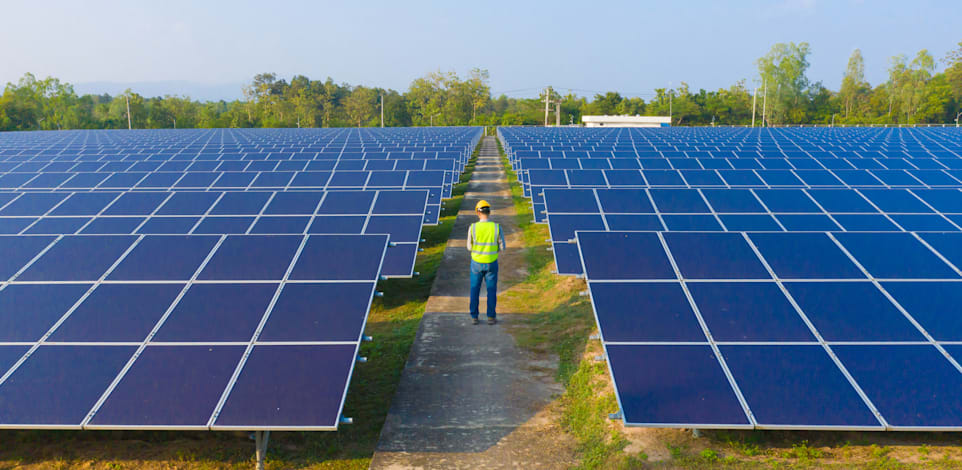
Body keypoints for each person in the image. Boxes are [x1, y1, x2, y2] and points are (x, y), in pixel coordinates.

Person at [466, 200, 506, 325]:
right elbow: (503, 247)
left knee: (474, 289)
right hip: (491, 262)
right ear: (489, 212)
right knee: (491, 290)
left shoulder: (472, 227)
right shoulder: (496, 227)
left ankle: (474, 317)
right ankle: (491, 317)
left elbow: (469, 247)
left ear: (478, 212)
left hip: (476, 263)